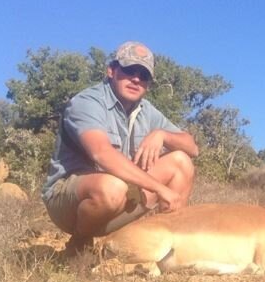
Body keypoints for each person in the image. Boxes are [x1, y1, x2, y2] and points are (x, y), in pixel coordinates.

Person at [42, 41, 199, 253]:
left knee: (181, 162)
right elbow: (102, 154)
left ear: (148, 84)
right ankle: (79, 245)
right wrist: (160, 189)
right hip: (68, 201)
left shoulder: (146, 110)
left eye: (143, 75)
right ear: (112, 70)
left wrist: (161, 134)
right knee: (112, 187)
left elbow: (192, 148)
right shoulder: (88, 102)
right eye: (129, 70)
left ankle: (171, 249)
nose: (136, 79)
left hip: (119, 194)